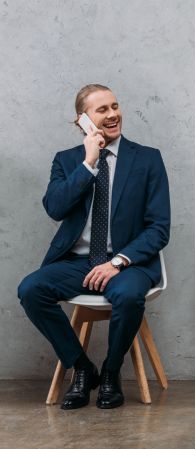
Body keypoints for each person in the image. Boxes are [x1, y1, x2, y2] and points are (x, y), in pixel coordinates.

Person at [18, 84, 170, 410]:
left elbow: (159, 228)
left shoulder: (148, 159)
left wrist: (117, 263)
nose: (113, 114)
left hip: (128, 263)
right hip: (78, 262)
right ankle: (83, 369)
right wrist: (89, 162)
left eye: (115, 106)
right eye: (102, 110)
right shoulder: (67, 160)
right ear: (83, 121)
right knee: (31, 290)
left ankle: (112, 372)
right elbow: (54, 208)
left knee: (129, 297)